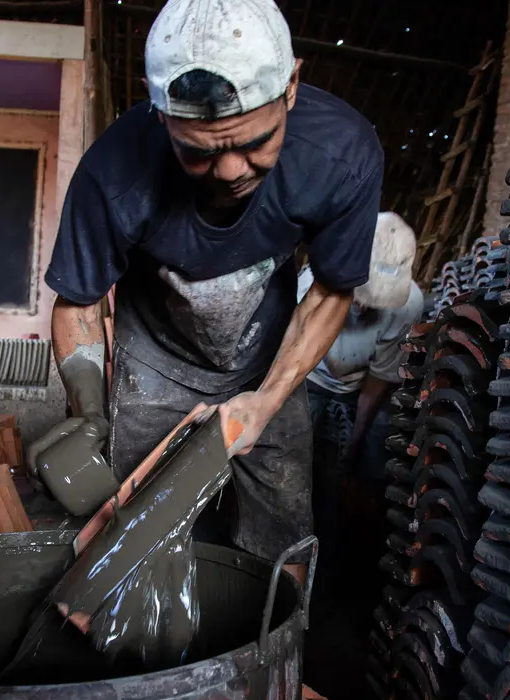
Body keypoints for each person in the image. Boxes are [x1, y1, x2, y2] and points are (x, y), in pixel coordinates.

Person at [34, 0, 384, 580]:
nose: (229, 171)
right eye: (198, 150)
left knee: (284, 540)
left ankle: (268, 659)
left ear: (291, 86)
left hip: (268, 361)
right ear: (160, 113)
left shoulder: (340, 157)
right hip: (155, 363)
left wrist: (266, 402)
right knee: (123, 536)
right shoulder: (113, 172)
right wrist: (88, 408)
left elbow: (329, 293)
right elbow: (80, 301)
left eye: (254, 144)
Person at [300, 211, 424, 604]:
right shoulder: (309, 283)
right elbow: (287, 358)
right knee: (306, 472)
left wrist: (353, 445)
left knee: (375, 465)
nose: (367, 310)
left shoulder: (408, 304)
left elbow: (378, 381)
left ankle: (360, 575)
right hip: (308, 379)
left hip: (360, 389)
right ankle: (308, 571)